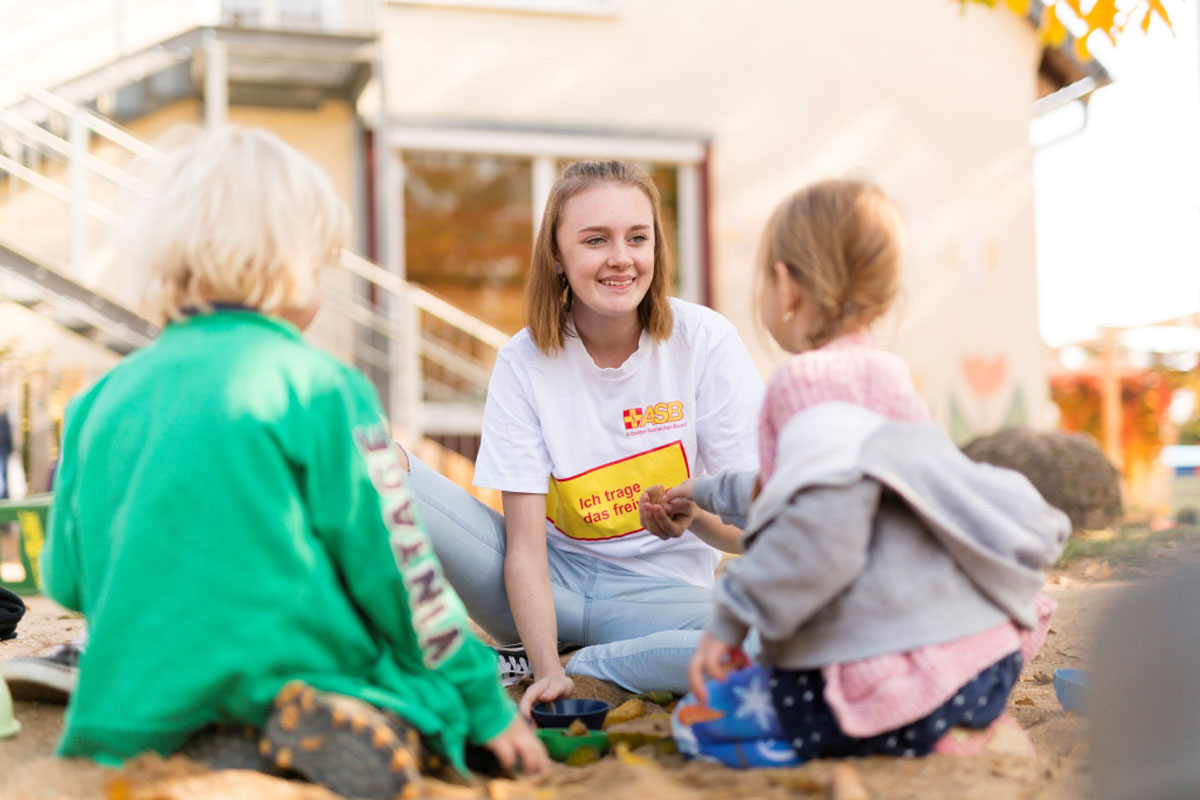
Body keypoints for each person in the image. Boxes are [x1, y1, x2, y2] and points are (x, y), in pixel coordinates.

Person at [38, 125, 546, 797]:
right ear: (290, 261)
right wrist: (482, 701)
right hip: (291, 675)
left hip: (133, 707)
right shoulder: (321, 388)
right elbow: (401, 578)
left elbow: (66, 581)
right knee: (425, 700)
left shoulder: (98, 400)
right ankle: (309, 723)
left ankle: (201, 735)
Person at [657, 179, 1070, 767]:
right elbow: (785, 488)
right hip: (983, 658)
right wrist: (700, 493)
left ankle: (939, 740)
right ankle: (969, 726)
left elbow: (821, 533)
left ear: (785, 283)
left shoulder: (805, 385)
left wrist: (729, 619)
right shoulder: (888, 379)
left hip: (900, 675)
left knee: (698, 723)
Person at [400, 160, 764, 714]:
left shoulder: (705, 342)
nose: (621, 258)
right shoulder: (523, 362)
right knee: (375, 461)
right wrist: (544, 670)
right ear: (557, 255)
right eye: (596, 240)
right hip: (544, 589)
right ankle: (535, 653)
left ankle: (588, 661)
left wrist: (700, 519)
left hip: (660, 602)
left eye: (637, 238)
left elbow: (753, 531)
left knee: (776, 638)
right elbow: (523, 550)